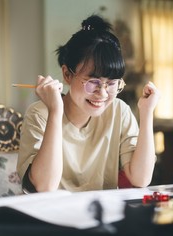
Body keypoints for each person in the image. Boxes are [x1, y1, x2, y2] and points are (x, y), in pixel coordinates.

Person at [17, 15, 160, 193]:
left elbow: (141, 179)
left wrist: (146, 114)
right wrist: (55, 111)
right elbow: (45, 186)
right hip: (51, 216)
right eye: (93, 82)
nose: (102, 93)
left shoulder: (119, 111)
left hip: (100, 215)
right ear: (67, 75)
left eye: (112, 83)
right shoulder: (40, 114)